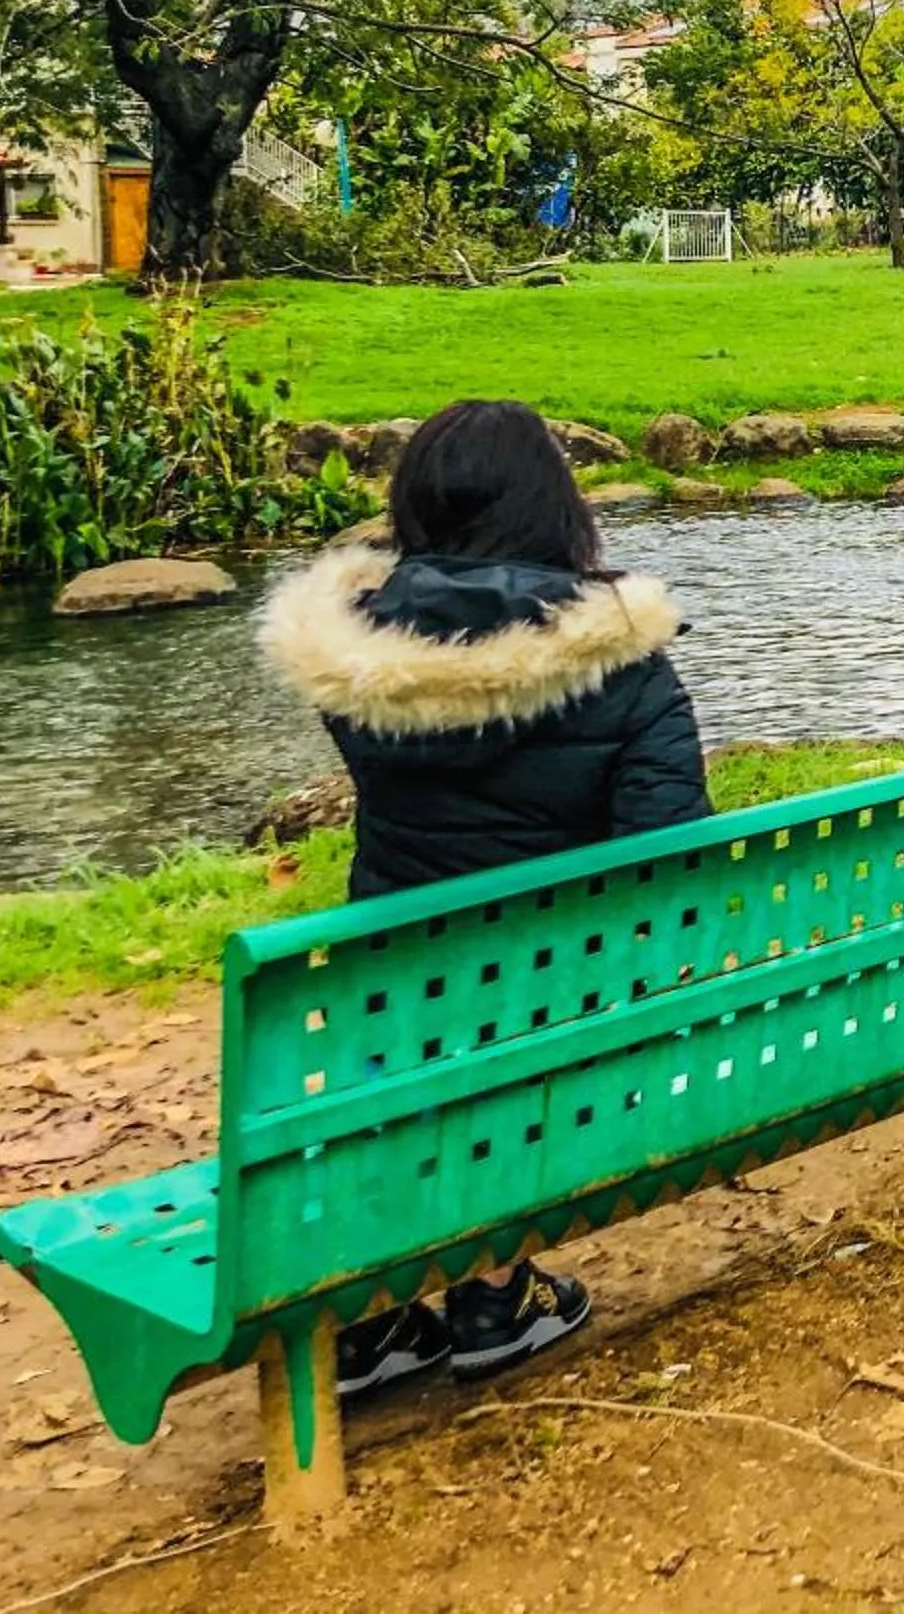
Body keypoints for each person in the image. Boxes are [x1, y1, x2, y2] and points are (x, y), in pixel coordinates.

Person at [260, 398, 713, 1395]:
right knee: (536, 1023)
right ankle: (491, 1292)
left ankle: (379, 1310)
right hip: (567, 1034)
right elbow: (669, 864)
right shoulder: (628, 663)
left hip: (395, 1024)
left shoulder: (353, 663)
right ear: (557, 505)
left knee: (413, 1035)